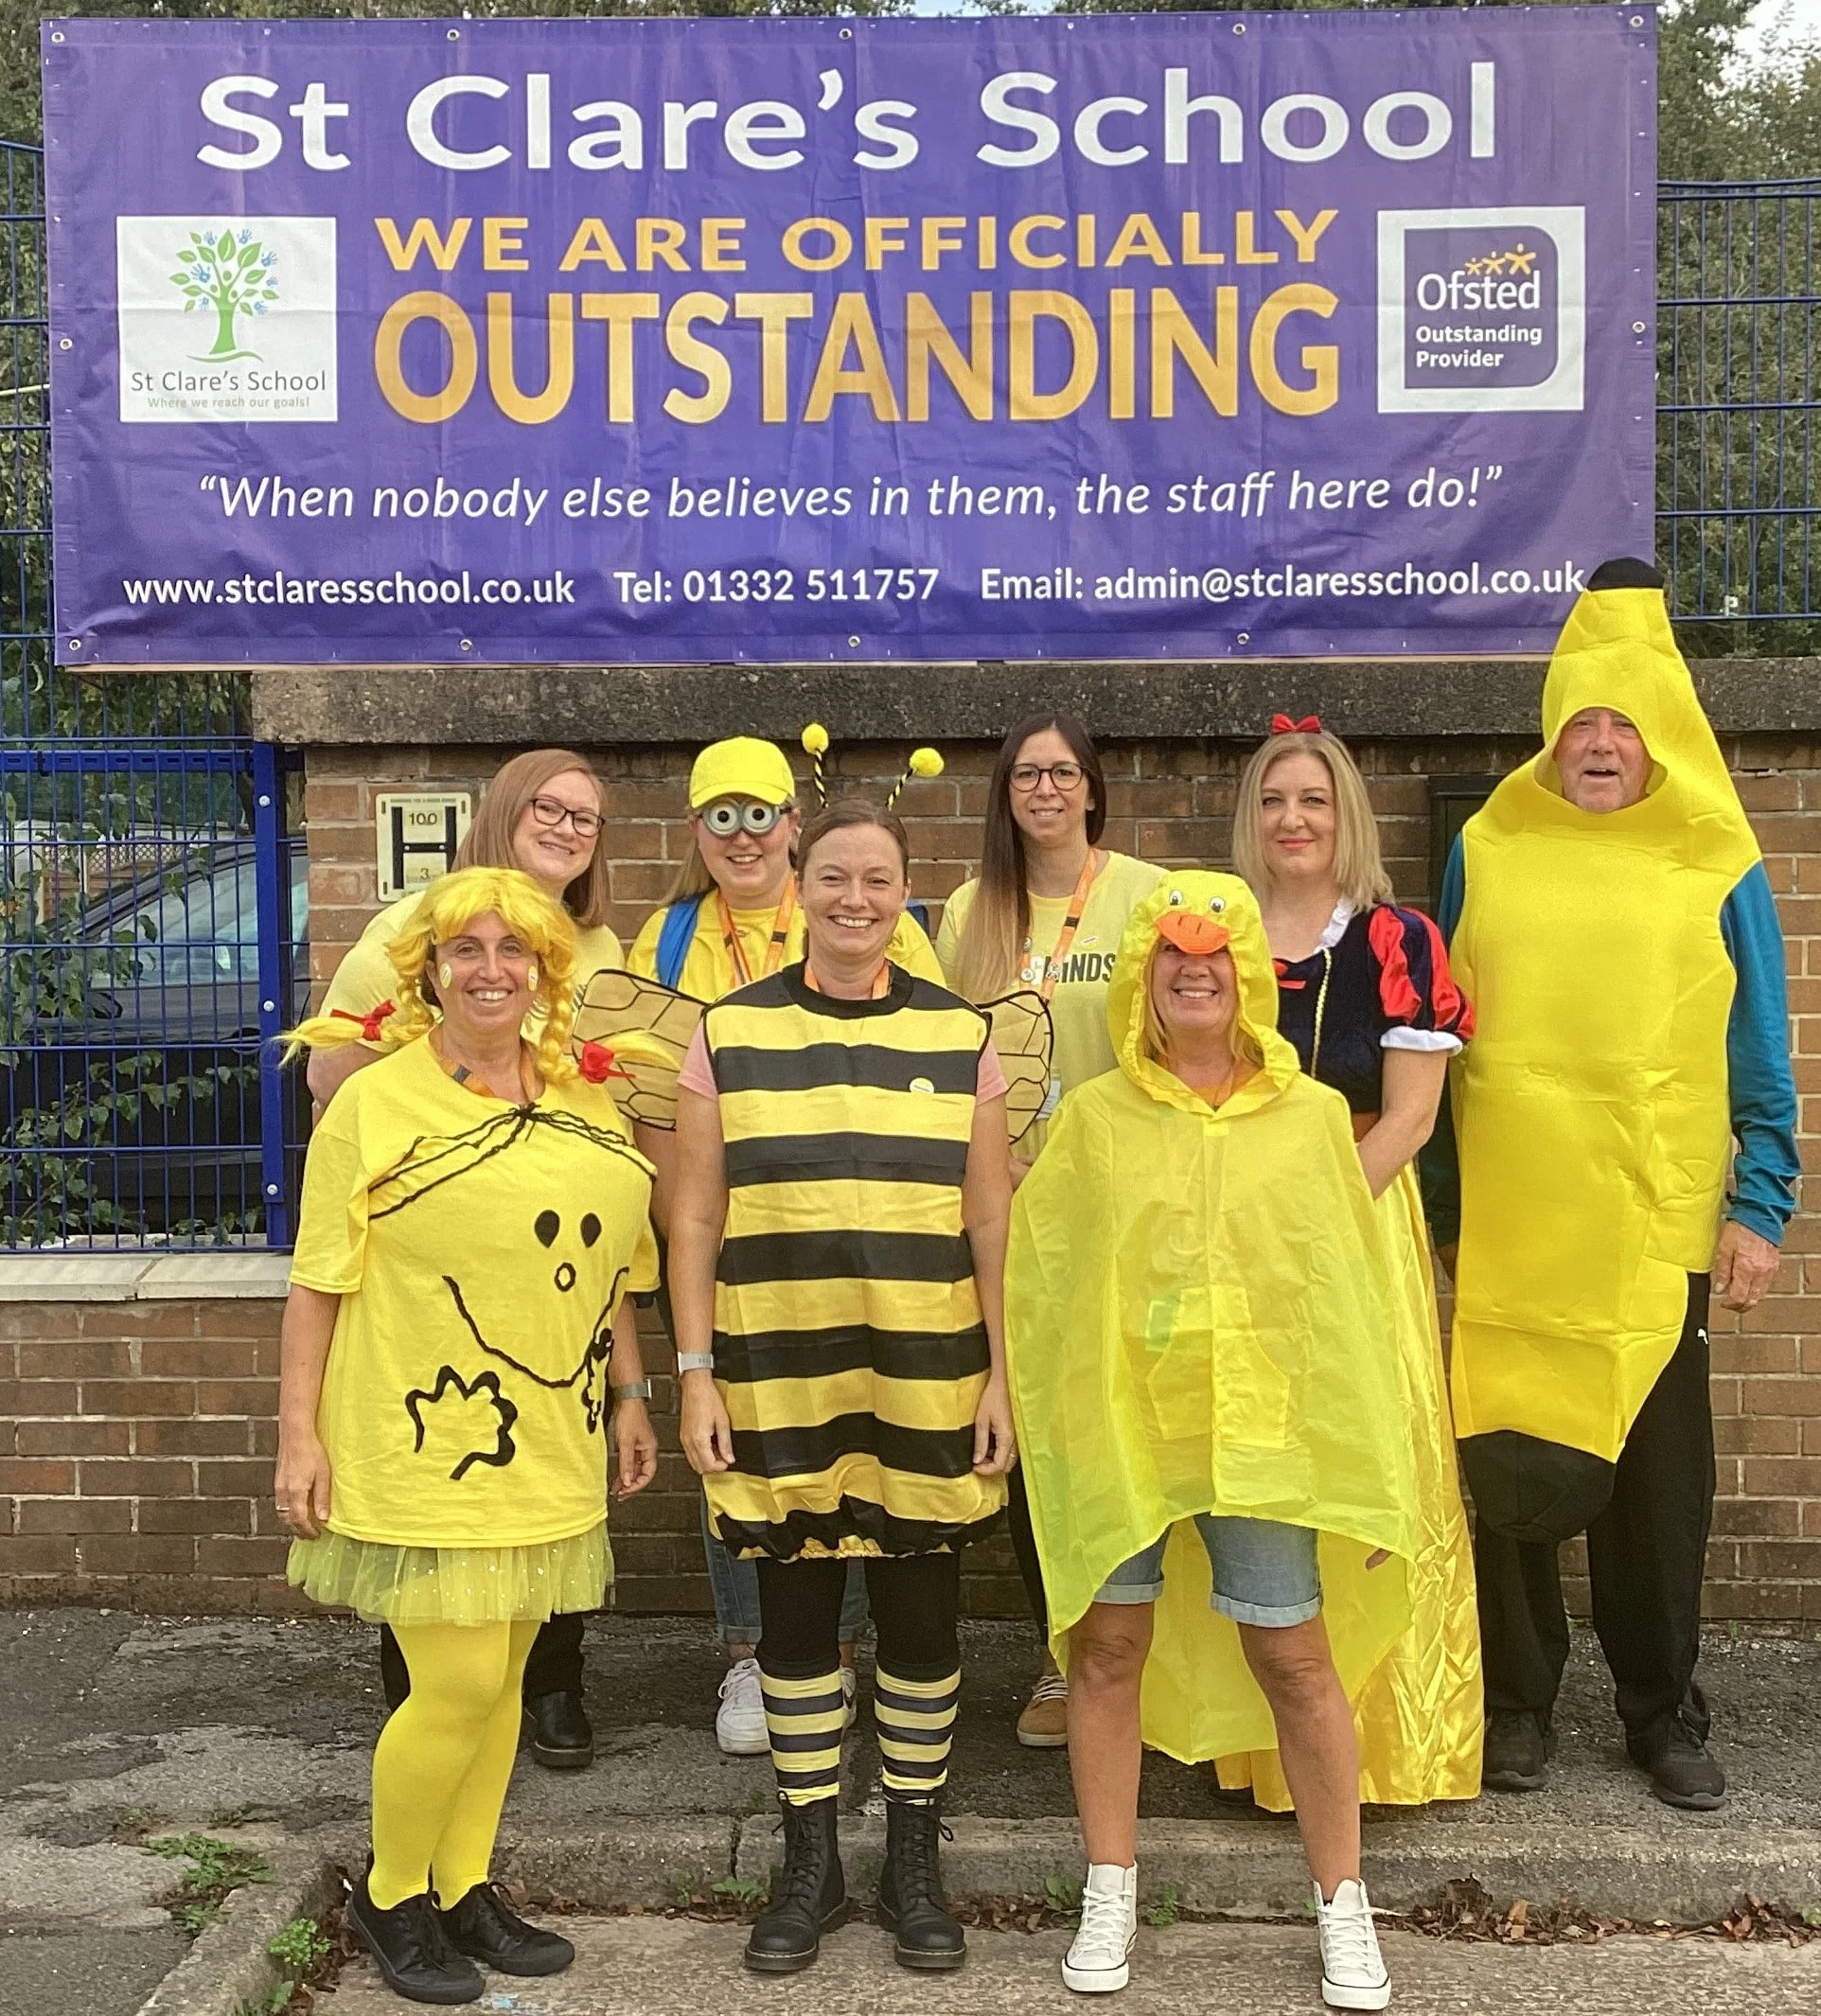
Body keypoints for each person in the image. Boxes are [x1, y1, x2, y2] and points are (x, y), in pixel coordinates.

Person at [1423, 559, 1799, 1812]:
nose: (1598, 745)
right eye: (1580, 721)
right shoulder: (1488, 847)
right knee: (1513, 1469)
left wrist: (1761, 1201)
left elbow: (1759, 1041)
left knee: (1657, 1491)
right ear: (1552, 726)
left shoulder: (1716, 856)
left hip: (1654, 1229)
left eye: (1622, 726)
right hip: (1520, 1227)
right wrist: (1444, 1206)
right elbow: (1439, 1029)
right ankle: (1519, 1701)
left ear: (1662, 739)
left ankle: (1662, 1705)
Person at [1006, 873, 1416, 2008]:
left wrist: (1370, 1462)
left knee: (1294, 1658)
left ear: (1247, 976)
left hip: (1266, 1434)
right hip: (1123, 1427)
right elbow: (1043, 1284)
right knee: (1105, 1653)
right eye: (1173, 958)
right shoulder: (1090, 1122)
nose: (1195, 973)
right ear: (1144, 976)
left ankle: (1343, 1905)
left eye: (1217, 956)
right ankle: (1109, 1884)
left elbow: (1348, 1296)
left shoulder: (1314, 1120)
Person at [275, 868, 662, 2005]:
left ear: (548, 970)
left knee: (502, 1683)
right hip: (413, 1431)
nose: (489, 969)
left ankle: (465, 1883)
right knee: (451, 1680)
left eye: (514, 950)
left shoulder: (585, 1096)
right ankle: (391, 1893)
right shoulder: (376, 1103)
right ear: (429, 972)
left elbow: (614, 1270)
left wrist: (631, 1395)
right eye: (464, 951)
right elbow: (316, 1282)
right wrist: (297, 1434)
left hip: (548, 1431)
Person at [667, 798, 1017, 1977]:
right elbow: (695, 1213)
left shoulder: (962, 1036)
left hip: (927, 1373)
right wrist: (694, 1373)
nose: (854, 900)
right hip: (775, 1375)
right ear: (800, 886)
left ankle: (913, 1858)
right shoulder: (727, 1030)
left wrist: (1004, 1380)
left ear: (906, 894)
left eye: (877, 881)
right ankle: (808, 1862)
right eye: (834, 879)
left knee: (921, 1627)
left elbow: (988, 1215)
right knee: (797, 1630)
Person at [310, 747, 627, 1772]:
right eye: (549, 807)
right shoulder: (407, 931)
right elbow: (335, 1084)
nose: (569, 828)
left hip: (554, 1285)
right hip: (438, 1289)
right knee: (442, 1567)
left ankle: (553, 1691)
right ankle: (423, 1741)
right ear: (501, 811)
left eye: (587, 817)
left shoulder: (601, 943)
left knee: (542, 1514)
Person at [627, 735, 943, 1757]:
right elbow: (645, 1092)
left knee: (861, 1441)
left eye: (759, 813)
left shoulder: (863, 922)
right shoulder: (665, 940)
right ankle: (750, 1655)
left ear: (790, 829)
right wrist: (695, 1232)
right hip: (724, 1237)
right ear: (695, 830)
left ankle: (842, 1652)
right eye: (721, 815)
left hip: (868, 1253)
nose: (743, 834)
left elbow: (939, 1058)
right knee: (746, 1456)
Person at [1221, 716, 1481, 1810]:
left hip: (1353, 1218)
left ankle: (1392, 1746)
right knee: (1253, 1473)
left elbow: (1412, 1118)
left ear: (1346, 817)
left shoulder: (1396, 940)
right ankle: (1257, 1750)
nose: (1293, 819)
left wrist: (1312, 1214)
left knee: (1366, 1456)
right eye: (1275, 800)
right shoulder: (1216, 933)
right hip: (1231, 1232)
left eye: (1313, 800)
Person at [936, 715, 1161, 1748]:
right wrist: (995, 1163)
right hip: (1011, 1204)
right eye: (1025, 774)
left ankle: (1150, 1666)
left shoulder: (1146, 895)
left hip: (1122, 1204)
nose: (1044, 790)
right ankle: (1062, 1659)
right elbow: (941, 1063)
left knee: (1133, 1432)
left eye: (1062, 772)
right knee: (1038, 1446)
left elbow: (1170, 1045)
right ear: (1004, 793)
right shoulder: (970, 911)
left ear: (1091, 788)